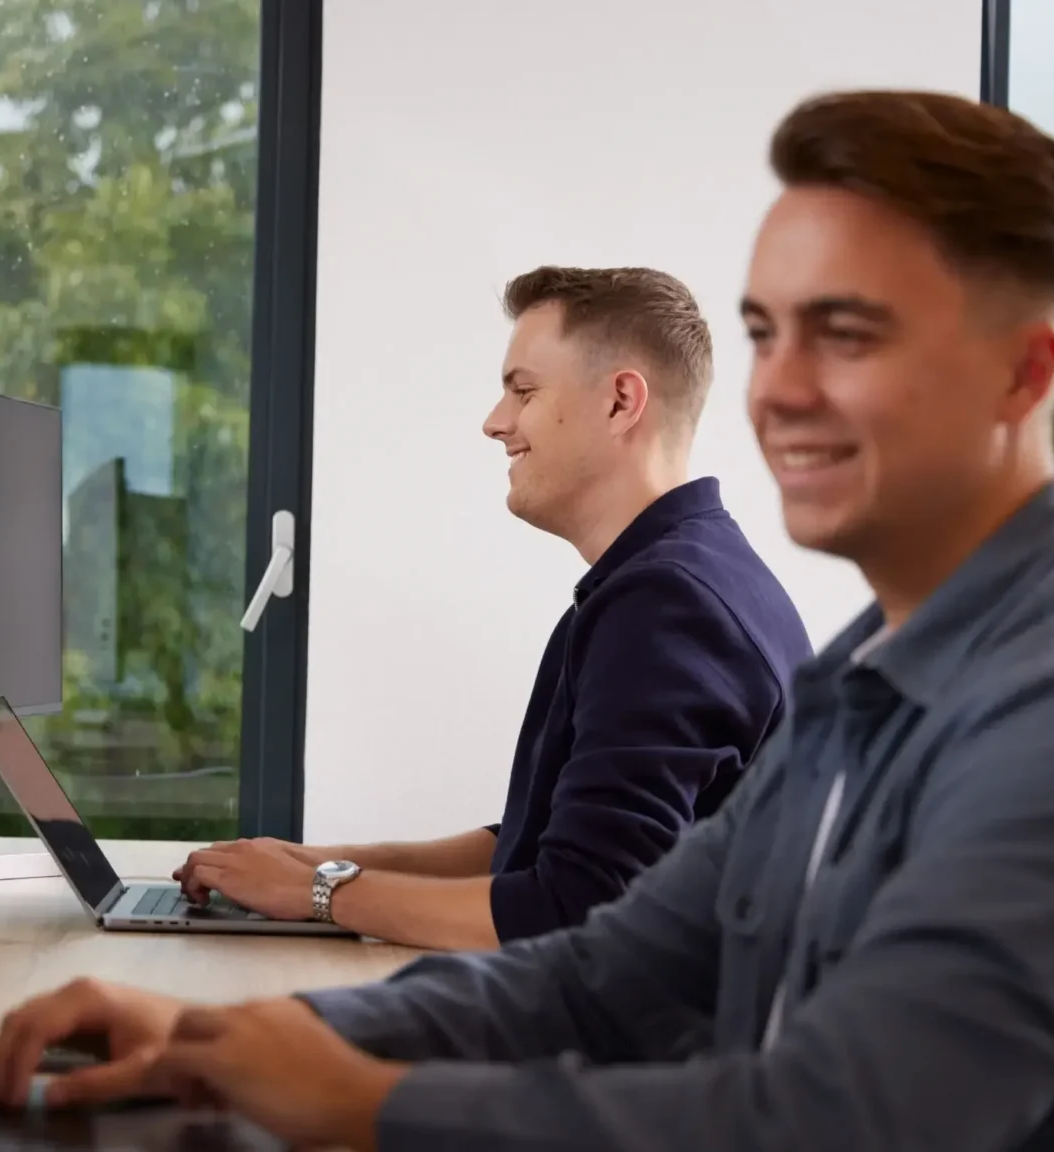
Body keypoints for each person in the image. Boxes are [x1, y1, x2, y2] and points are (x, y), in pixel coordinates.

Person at [0, 89, 1054, 1150]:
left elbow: (836, 1121)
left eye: (846, 334)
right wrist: (218, 1040)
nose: (779, 391)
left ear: (1021, 374)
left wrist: (368, 1103)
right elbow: (611, 970)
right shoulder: (867, 672)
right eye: (768, 334)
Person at [169, 265, 811, 951]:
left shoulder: (670, 607)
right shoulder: (671, 580)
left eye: (522, 391)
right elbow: (535, 846)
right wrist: (320, 865)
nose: (494, 422)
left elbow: (578, 906)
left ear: (622, 402)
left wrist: (319, 895)